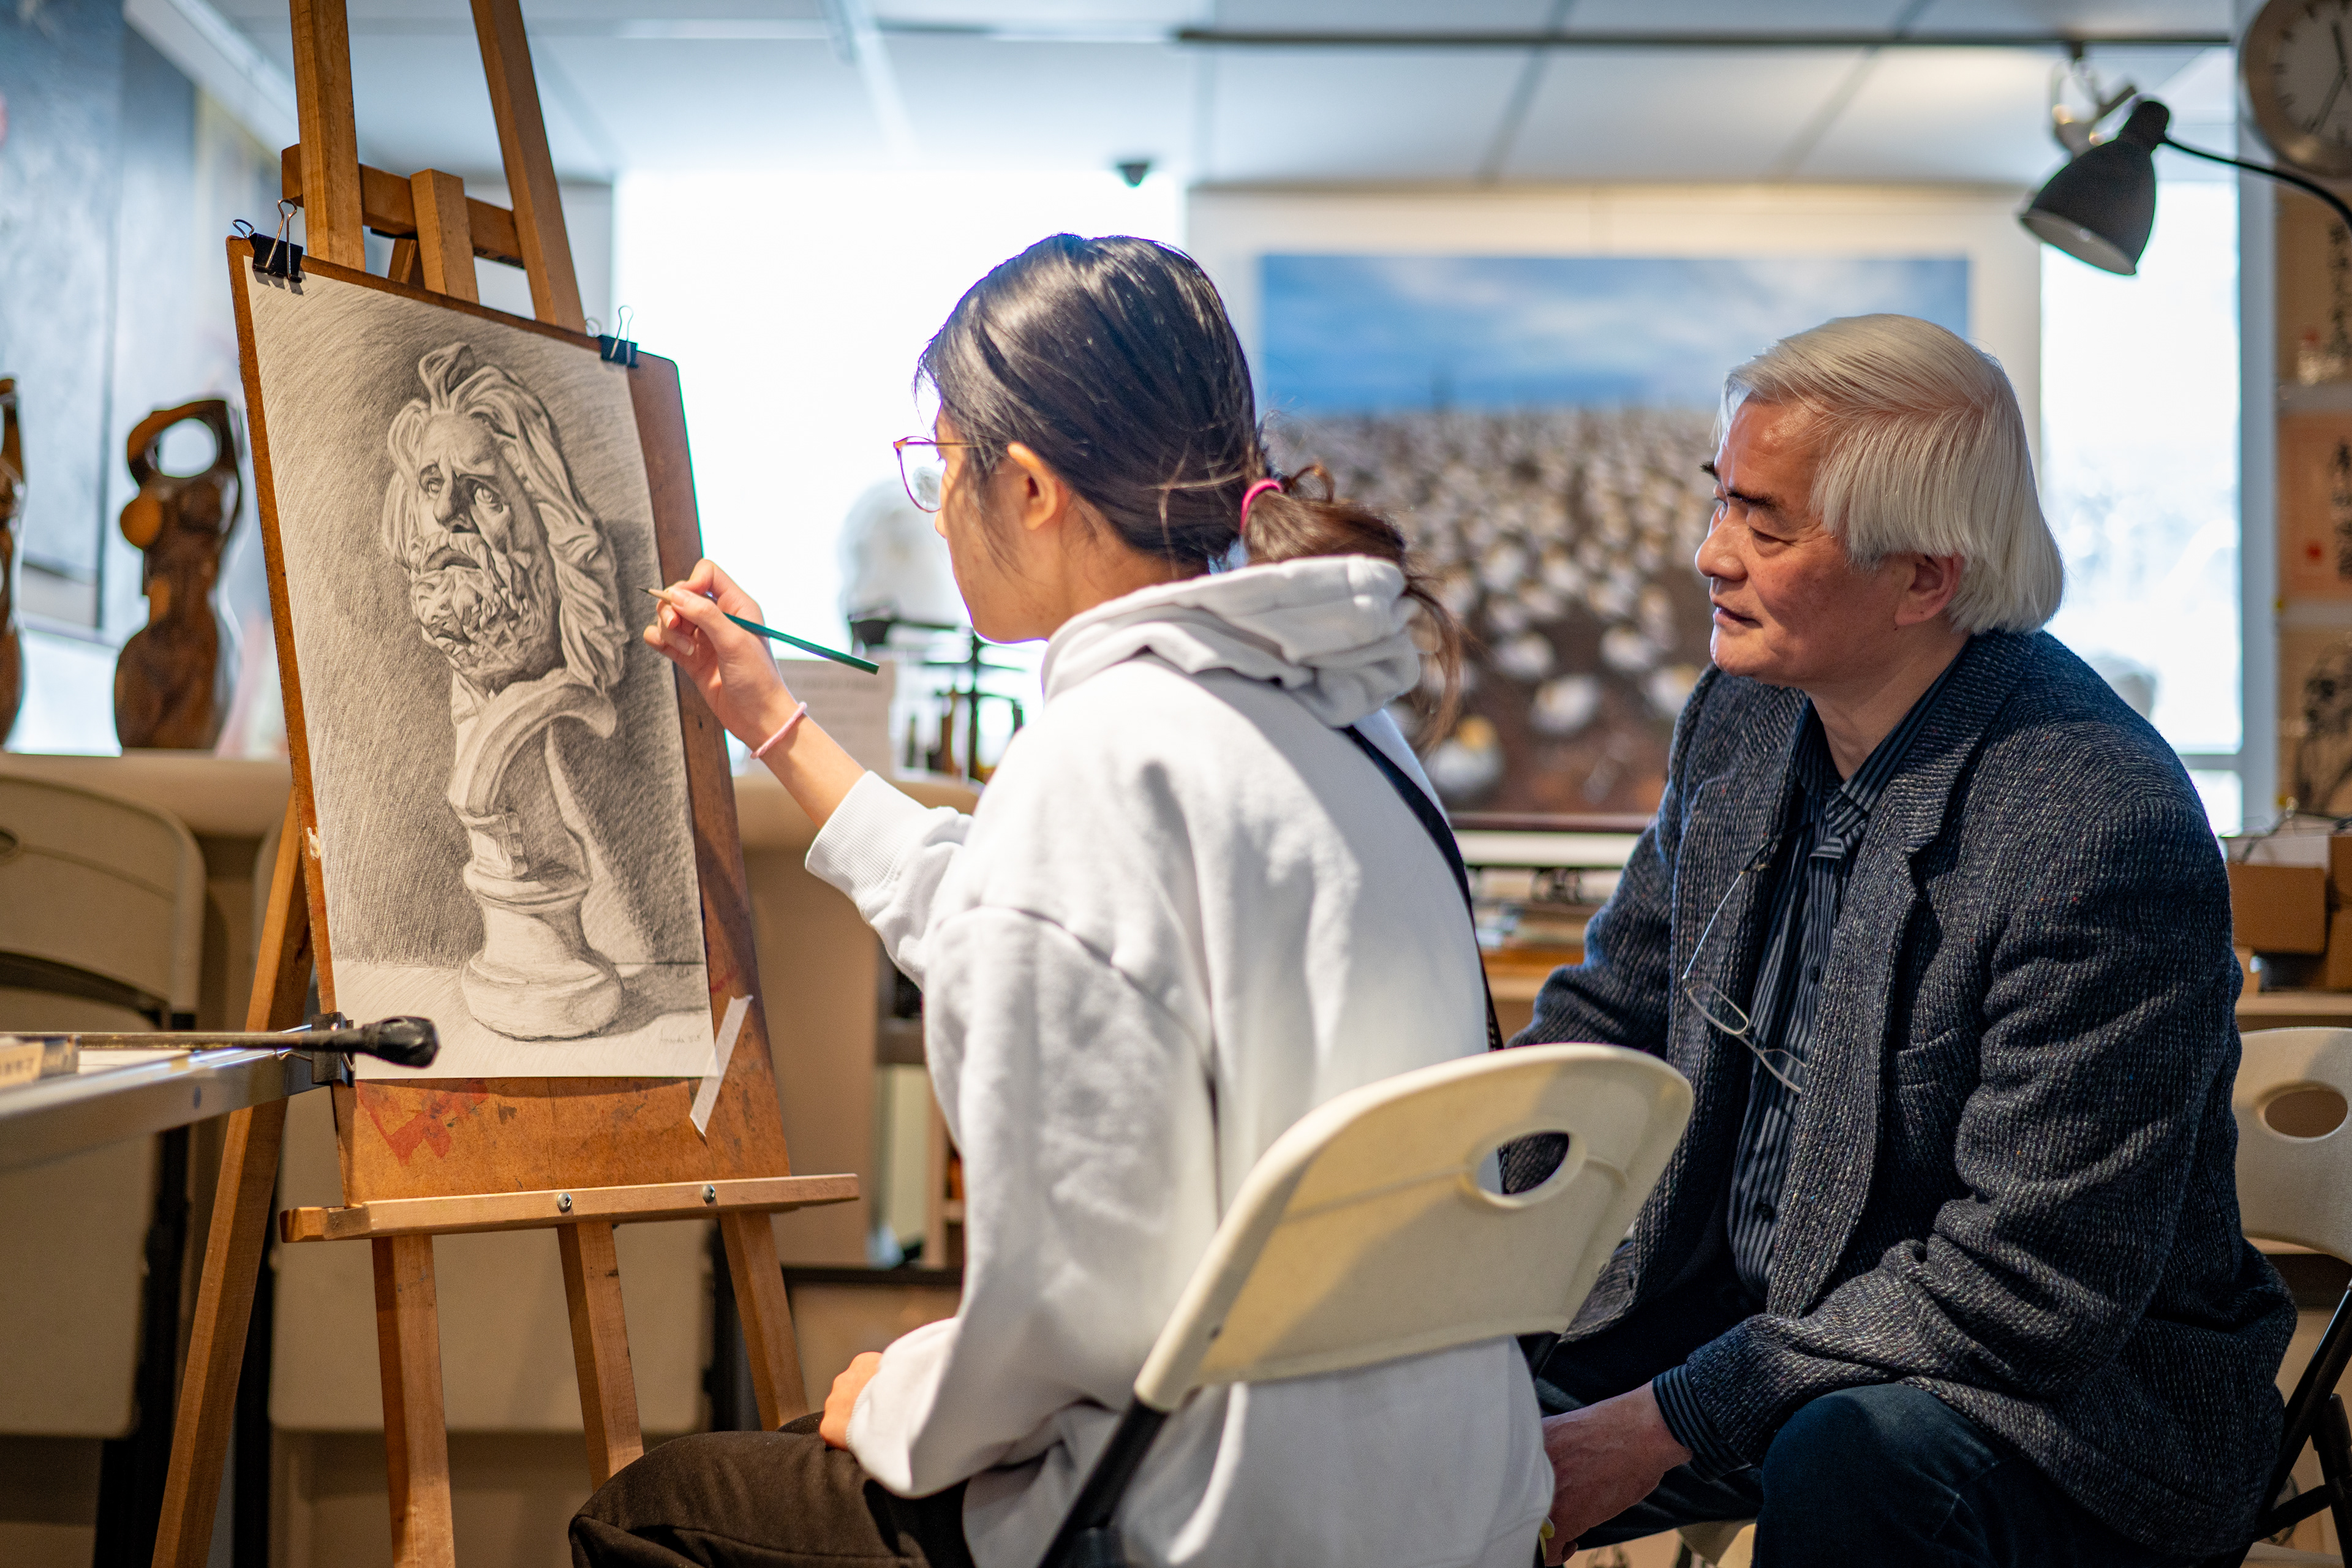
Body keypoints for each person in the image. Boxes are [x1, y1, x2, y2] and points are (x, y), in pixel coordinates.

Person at [571, 233, 1553, 1568]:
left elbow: (1068, 1313)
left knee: (649, 1512)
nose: (937, 508)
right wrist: (777, 723)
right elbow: (1009, 919)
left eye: (941, 464)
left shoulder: (1103, 757)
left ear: (1028, 486)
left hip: (1199, 1514)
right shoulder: (1344, 724)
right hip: (1438, 1498)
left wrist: (899, 1398)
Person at [1518, 313, 2294, 1567]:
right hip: (1755, 1316)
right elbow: (1614, 1019)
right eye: (1720, 499)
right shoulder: (1740, 716)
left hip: (2047, 1399)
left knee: (1848, 1458)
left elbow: (2028, 1286)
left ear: (1925, 577)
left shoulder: (2102, 823)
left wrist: (1663, 1422)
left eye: (1766, 526)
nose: (1710, 554)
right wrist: (1454, 1234)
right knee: (1418, 1405)